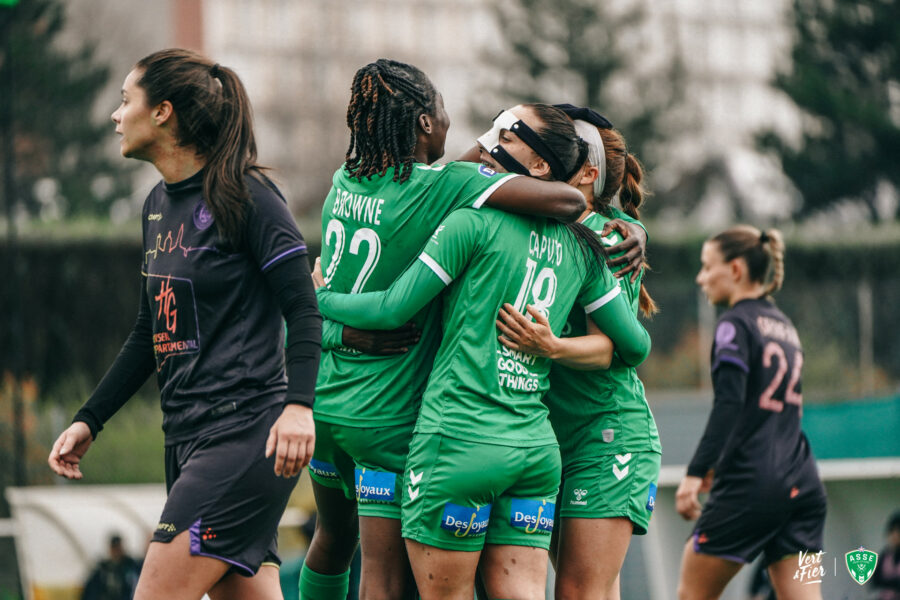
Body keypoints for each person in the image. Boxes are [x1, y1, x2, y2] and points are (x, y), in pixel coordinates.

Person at [312, 102, 652, 600]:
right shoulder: (585, 242)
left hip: (522, 435)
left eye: (510, 135)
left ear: (576, 173)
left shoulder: (478, 223)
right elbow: (635, 344)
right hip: (536, 441)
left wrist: (317, 300)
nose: (494, 141)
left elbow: (389, 308)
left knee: (581, 592)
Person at [47, 49, 321, 600]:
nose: (115, 115)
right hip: (187, 440)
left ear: (163, 112)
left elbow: (303, 308)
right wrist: (89, 419)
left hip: (245, 436)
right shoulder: (155, 205)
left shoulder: (250, 197)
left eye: (126, 101)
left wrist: (298, 407)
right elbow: (148, 335)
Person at [493, 105, 661, 600]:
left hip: (606, 434)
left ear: (588, 173)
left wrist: (552, 347)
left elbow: (615, 349)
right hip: (557, 438)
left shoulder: (607, 237)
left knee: (578, 592)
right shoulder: (549, 223)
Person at [675, 225, 826, 600]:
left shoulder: (733, 324)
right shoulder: (785, 326)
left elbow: (730, 403)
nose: (701, 278)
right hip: (803, 487)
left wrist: (695, 472)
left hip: (751, 485)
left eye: (708, 267)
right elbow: (765, 414)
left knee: (691, 595)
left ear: (737, 270)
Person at [81, 534, 141, 600]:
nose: (116, 551)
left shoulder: (131, 566)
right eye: (114, 548)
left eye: (118, 548)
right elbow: (90, 590)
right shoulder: (102, 569)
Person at [872, 510, 900, 600]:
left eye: (898, 532)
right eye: (892, 532)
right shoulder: (885, 555)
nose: (894, 536)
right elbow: (874, 581)